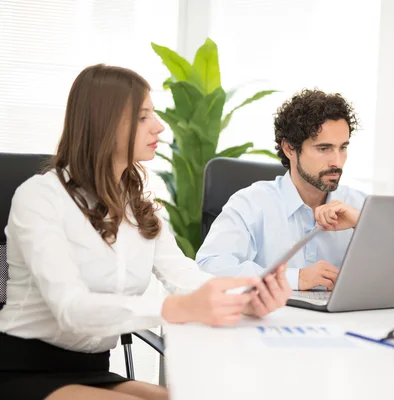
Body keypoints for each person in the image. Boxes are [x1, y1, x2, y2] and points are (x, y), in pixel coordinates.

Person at [0, 64, 291, 400]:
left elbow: (182, 276)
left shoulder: (137, 206)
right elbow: (71, 309)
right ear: (103, 123)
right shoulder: (40, 198)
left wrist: (244, 302)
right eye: (143, 117)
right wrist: (175, 308)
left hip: (93, 369)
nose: (159, 126)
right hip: (22, 370)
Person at [196, 89, 366, 291]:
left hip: (350, 322)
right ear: (289, 149)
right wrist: (294, 278)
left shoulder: (360, 205)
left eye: (343, 148)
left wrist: (362, 223)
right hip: (271, 319)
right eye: (323, 149)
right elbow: (209, 267)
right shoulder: (251, 203)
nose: (337, 161)